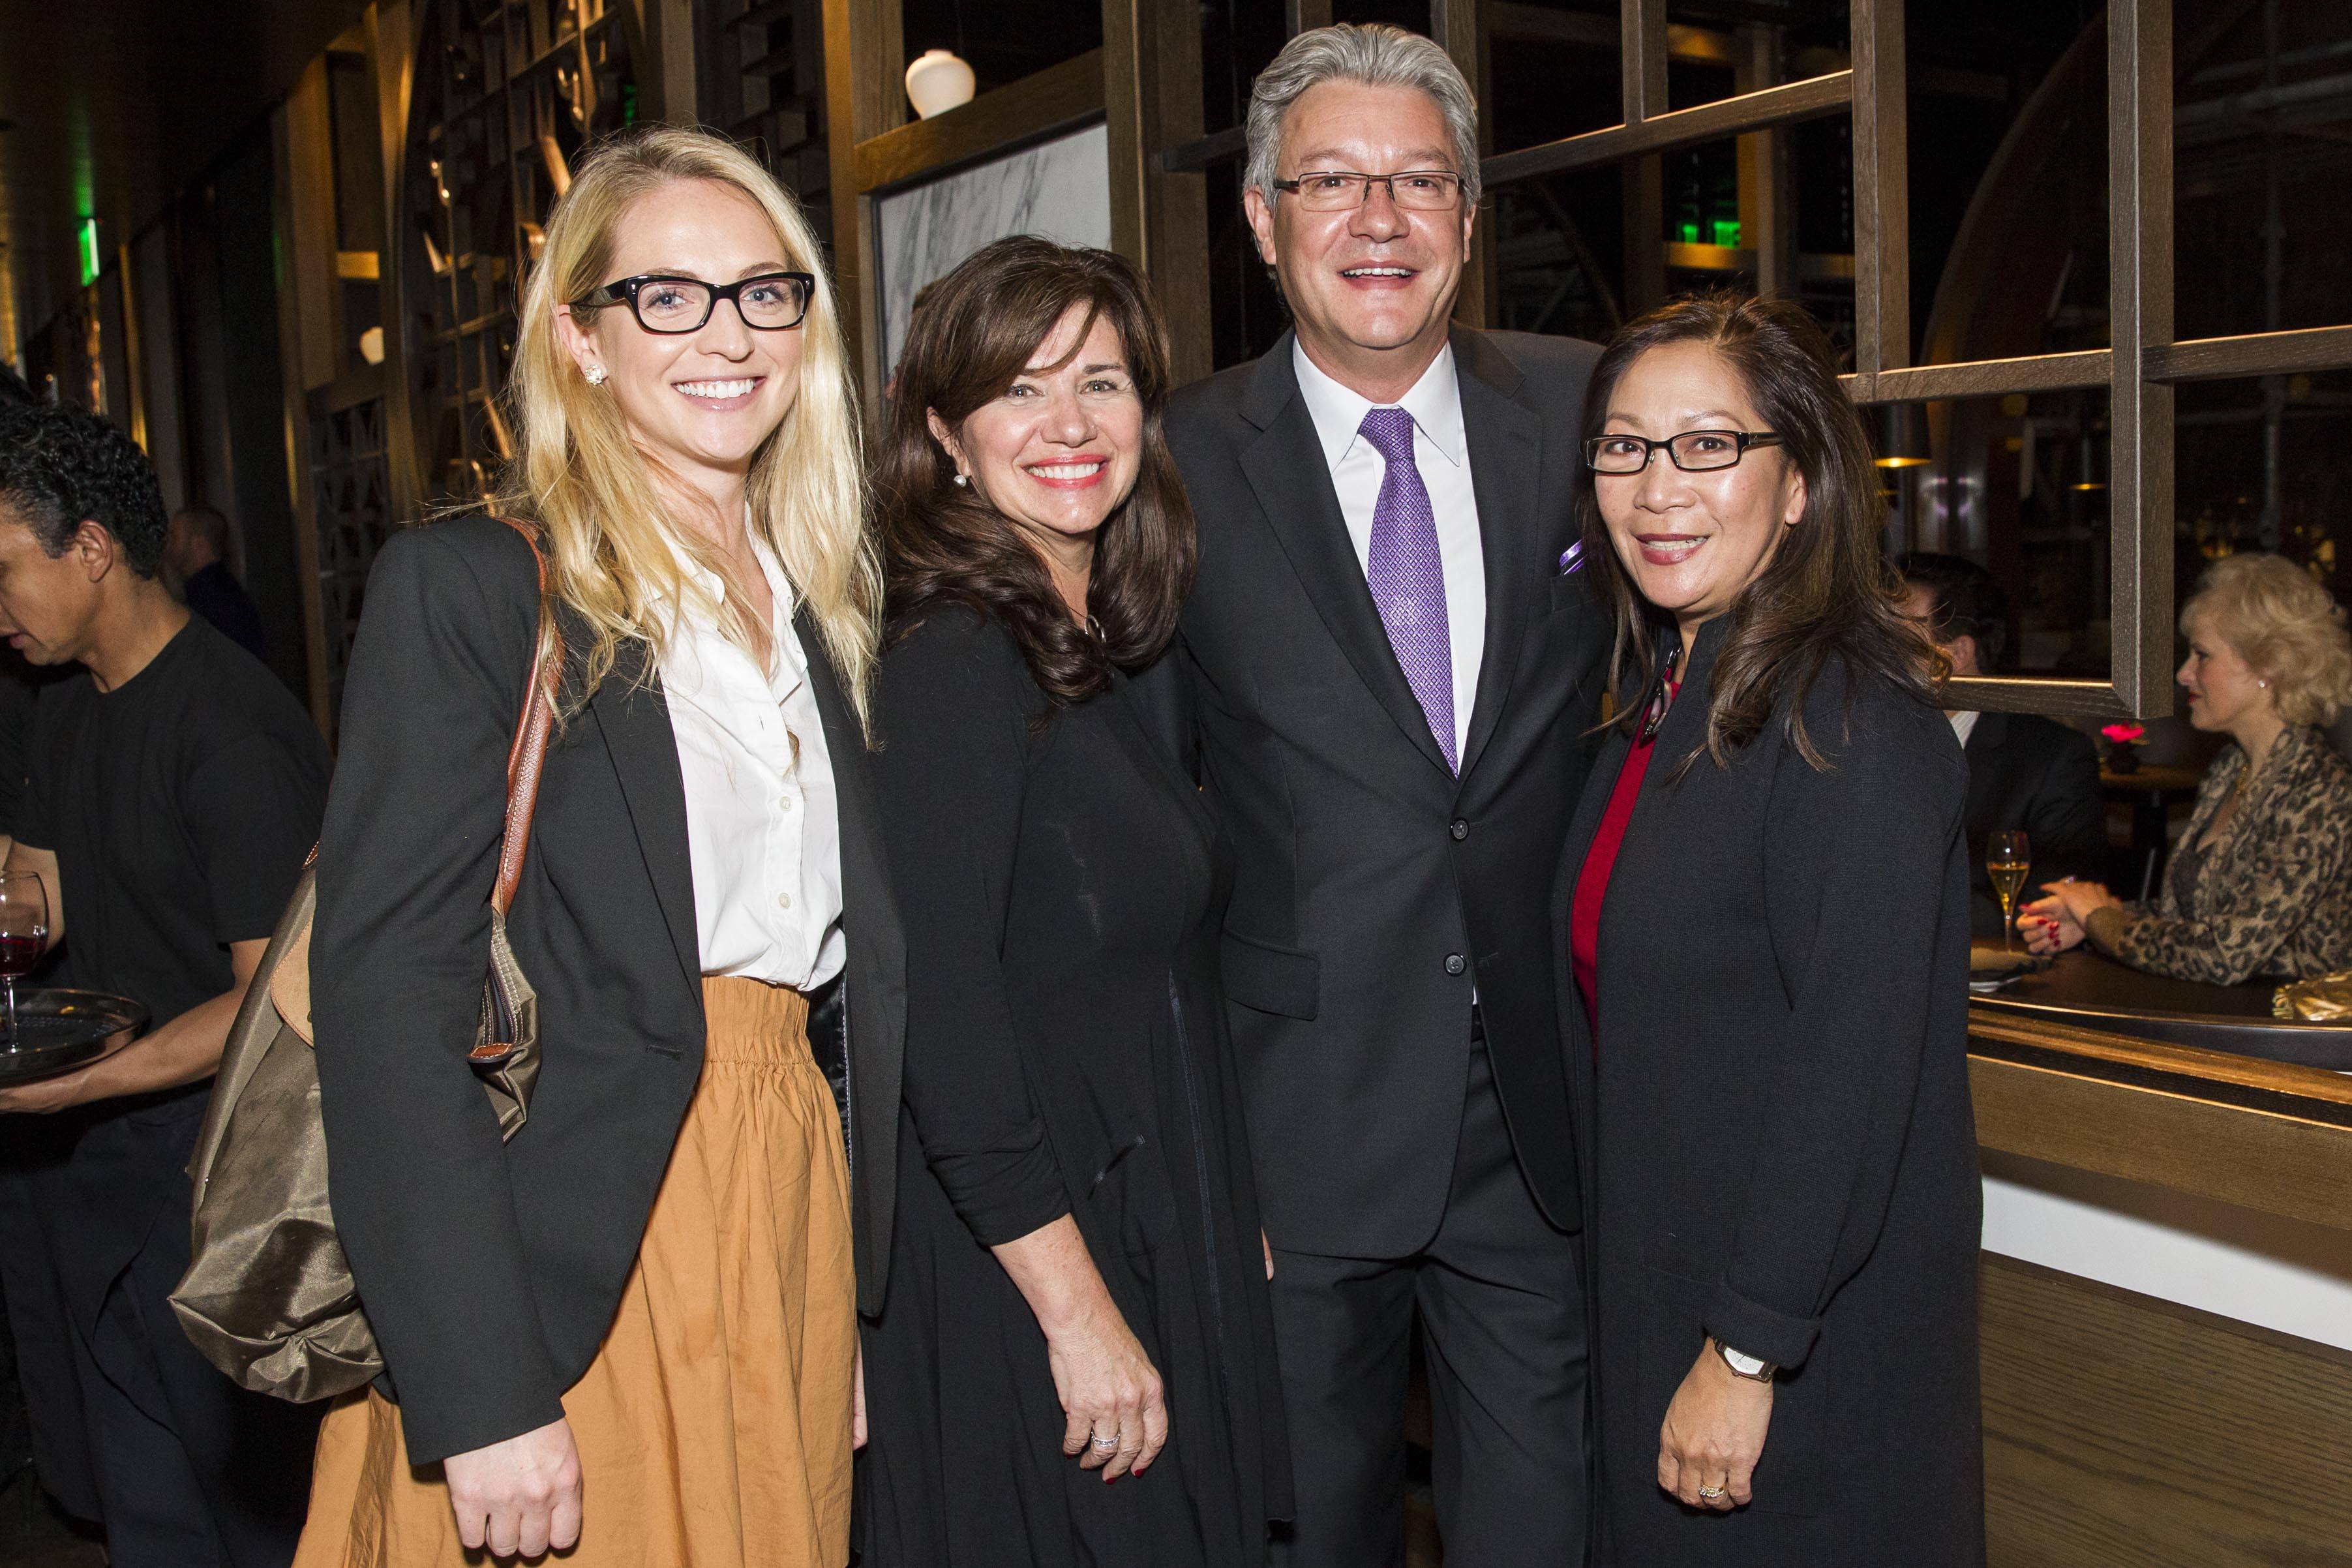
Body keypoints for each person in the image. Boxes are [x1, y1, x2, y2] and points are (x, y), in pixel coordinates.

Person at [293, 126, 904, 1566]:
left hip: (781, 1199)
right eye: (667, 297)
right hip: (575, 1238)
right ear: (576, 337)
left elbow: (828, 998)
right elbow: (383, 1005)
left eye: (765, 291)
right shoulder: (476, 588)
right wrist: (482, 1386)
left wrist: (838, 1299)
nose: (727, 334)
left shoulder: (818, 605)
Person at [1135, 23, 1610, 1566]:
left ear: (1472, 214)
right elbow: (1140, 816)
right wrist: (1190, 1155)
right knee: (1305, 1533)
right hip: (1292, 1125)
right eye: (1330, 181)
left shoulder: (1591, 416)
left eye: (1419, 180)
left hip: (1538, 1121)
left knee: (1544, 1529)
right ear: (1264, 221)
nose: (1379, 219)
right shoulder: (1167, 464)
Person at [860, 235, 1288, 1567]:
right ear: (945, 435)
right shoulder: (952, 656)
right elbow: (946, 1020)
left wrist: (1224, 1202)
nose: (1069, 424)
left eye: (1100, 380)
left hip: (1136, 1215)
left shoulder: (1090, 640)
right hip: (1031, 1265)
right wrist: (1076, 1312)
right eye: (1021, 388)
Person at [1558, 293, 1982, 1563]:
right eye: (1625, 446)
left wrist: (1747, 1345)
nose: (1658, 486)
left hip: (1791, 1351)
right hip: (1662, 1300)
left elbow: (1844, 1077)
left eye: (1707, 444)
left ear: (1798, 482)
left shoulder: (1850, 719)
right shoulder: (1667, 697)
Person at [0, 401, 328, 1567]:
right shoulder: (60, 702)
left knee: (250, 1520)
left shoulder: (233, 731)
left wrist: (76, 1085)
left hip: (215, 1173)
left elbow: (269, 1001)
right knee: (147, 1515)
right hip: (102, 1165)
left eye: (5, 572)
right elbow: (34, 898)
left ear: (89, 547)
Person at [2025, 552, 2352, 984]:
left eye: (2202, 656)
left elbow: (2224, 955)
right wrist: (2089, 920)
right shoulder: (2231, 767)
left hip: (2292, 1038)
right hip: (2218, 1019)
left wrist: (2104, 920)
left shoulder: (2321, 790)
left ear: (2268, 666)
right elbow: (2190, 919)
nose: (2184, 674)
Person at [1898, 551, 2107, 938]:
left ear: (1956, 655)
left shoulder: (2052, 758)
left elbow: (2051, 906)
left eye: (1897, 636)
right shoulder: (1862, 742)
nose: (1874, 652)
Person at [165, 507, 269, 663]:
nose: (167, 545)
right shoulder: (214, 592)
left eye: (174, 537)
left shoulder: (215, 599)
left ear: (199, 546)